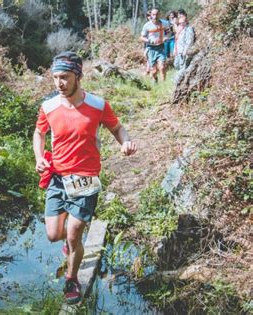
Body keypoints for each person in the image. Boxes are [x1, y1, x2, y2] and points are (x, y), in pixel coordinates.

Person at [33, 51, 137, 304]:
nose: (59, 83)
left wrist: (126, 143)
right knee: (54, 235)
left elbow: (117, 128)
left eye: (65, 77)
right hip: (57, 178)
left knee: (73, 233)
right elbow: (39, 134)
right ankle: (70, 245)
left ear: (78, 76)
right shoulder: (49, 106)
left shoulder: (99, 106)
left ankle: (72, 279)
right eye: (55, 77)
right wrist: (39, 158)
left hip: (86, 179)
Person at [140, 8, 171, 82]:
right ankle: (154, 80)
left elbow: (168, 33)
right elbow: (141, 37)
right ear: (151, 15)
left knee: (162, 67)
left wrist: (166, 37)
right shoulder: (147, 25)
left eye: (157, 14)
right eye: (153, 14)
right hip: (151, 48)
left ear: (160, 14)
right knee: (154, 71)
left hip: (161, 47)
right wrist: (150, 40)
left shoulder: (165, 23)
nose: (155, 16)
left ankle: (164, 83)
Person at [174, 9, 195, 79]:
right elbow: (177, 40)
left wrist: (185, 50)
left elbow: (189, 41)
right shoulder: (179, 29)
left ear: (186, 21)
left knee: (182, 66)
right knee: (176, 65)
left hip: (183, 51)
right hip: (178, 51)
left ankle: (178, 80)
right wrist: (175, 49)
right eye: (180, 23)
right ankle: (179, 77)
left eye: (183, 22)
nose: (181, 24)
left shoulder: (188, 29)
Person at [144, 10, 152, 75]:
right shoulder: (146, 25)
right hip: (147, 43)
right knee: (147, 56)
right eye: (148, 16)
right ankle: (148, 69)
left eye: (150, 15)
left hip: (156, 44)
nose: (149, 17)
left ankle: (148, 70)